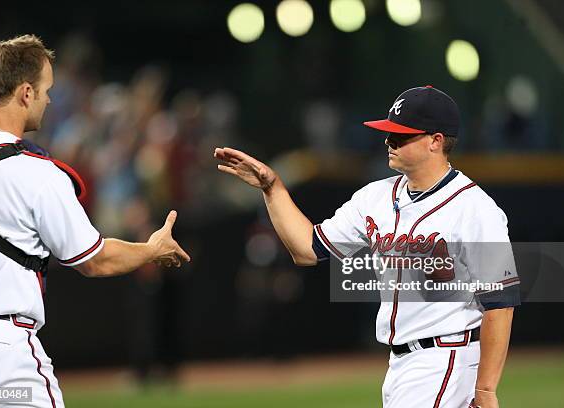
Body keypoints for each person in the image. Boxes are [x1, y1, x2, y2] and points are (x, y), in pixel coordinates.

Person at [215, 85, 520, 408]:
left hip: (448, 360)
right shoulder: (374, 197)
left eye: (402, 135)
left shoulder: (475, 208)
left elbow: (500, 302)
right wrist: (272, 187)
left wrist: (485, 389)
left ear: (436, 141)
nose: (389, 141)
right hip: (400, 365)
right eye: (389, 133)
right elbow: (307, 248)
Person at [0, 35, 190, 407]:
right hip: (1, 362)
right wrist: (152, 250)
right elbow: (95, 259)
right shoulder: (35, 173)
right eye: (45, 90)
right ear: (25, 93)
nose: (49, 99)